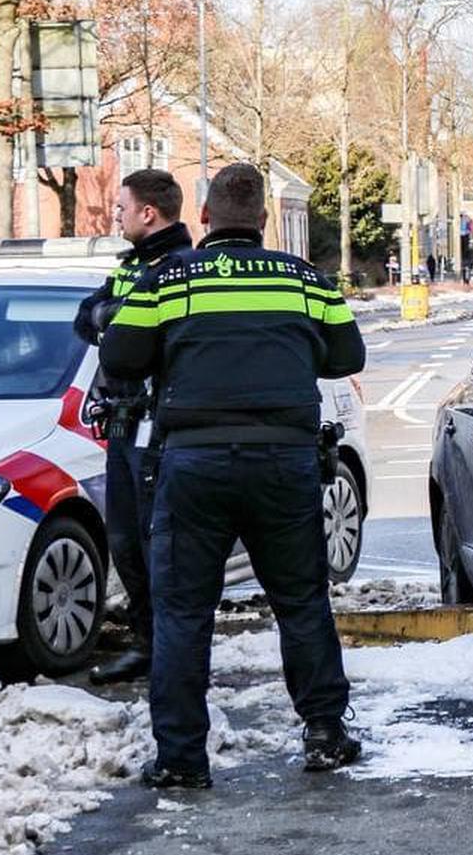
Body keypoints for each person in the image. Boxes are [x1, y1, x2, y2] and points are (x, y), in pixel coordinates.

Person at [101, 164, 366, 789]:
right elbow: (347, 356)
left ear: (205, 219)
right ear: (266, 222)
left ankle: (182, 758)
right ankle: (324, 731)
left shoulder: (168, 278)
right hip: (285, 463)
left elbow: (118, 356)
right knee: (301, 601)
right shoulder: (304, 280)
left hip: (193, 465)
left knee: (183, 612)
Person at [71, 169, 193, 685]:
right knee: (125, 543)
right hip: (121, 426)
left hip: (157, 426)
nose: (114, 215)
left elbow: (155, 334)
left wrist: (115, 318)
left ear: (148, 212)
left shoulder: (182, 266)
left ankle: (173, 653)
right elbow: (85, 318)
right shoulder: (131, 268)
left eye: (121, 207)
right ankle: (148, 644)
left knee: (156, 544)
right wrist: (113, 315)